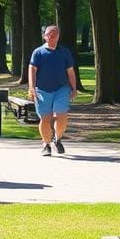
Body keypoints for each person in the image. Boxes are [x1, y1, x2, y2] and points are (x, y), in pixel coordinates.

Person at [28, 25, 78, 156]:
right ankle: (46, 144)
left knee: (61, 115)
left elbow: (70, 72)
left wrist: (74, 87)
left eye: (54, 34)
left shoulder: (64, 52)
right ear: (44, 36)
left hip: (62, 89)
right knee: (45, 118)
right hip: (42, 90)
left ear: (58, 36)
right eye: (49, 34)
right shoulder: (38, 52)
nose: (51, 36)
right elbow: (32, 70)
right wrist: (31, 87)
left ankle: (57, 138)